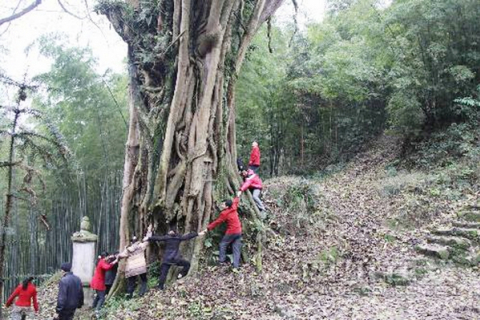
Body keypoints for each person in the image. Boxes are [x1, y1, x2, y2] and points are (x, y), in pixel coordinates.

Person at [205, 195, 243, 269]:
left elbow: (217, 222)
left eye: (223, 204)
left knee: (223, 244)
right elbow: (236, 201)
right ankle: (236, 266)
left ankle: (222, 261)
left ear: (226, 207)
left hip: (231, 232)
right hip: (238, 231)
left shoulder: (224, 213)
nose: (221, 204)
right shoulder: (233, 207)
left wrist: (208, 228)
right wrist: (238, 194)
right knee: (236, 248)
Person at [117, 226, 152, 299]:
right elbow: (147, 241)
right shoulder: (141, 246)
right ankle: (141, 293)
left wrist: (117, 257)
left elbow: (121, 255)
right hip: (140, 267)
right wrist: (149, 231)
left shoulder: (128, 250)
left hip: (131, 269)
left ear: (131, 242)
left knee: (131, 283)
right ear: (137, 241)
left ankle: (129, 297)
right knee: (144, 280)